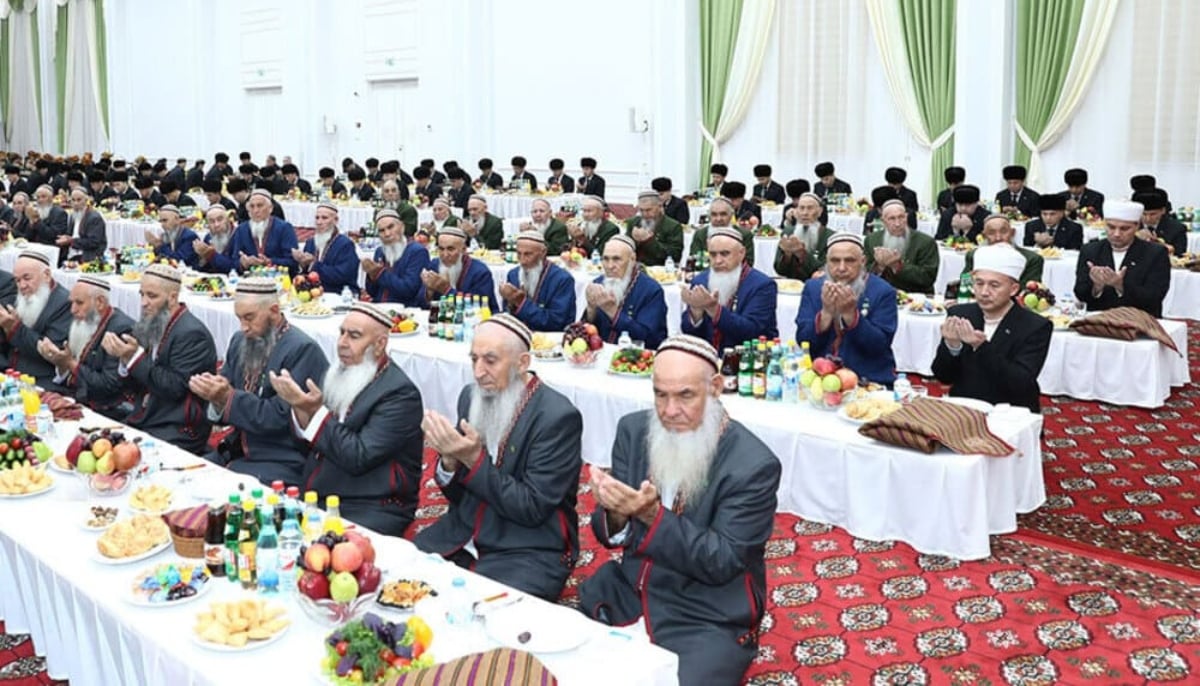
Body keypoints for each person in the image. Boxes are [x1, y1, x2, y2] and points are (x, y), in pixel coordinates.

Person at [578, 335, 780, 686]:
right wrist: (616, 511)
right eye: (660, 394)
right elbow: (605, 532)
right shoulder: (633, 430)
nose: (670, 410)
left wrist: (650, 517)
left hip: (706, 613)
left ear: (715, 387)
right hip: (629, 592)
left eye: (685, 395)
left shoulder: (753, 464)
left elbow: (722, 561)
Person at [415, 314, 583, 600]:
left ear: (523, 363)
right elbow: (457, 494)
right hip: (464, 529)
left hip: (528, 547)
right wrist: (449, 461)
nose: (479, 372)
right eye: (474, 359)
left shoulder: (557, 417)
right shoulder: (471, 396)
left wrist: (473, 460)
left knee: (491, 617)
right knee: (403, 584)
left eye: (490, 361)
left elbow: (532, 508)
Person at [270, 303, 424, 536]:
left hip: (375, 502)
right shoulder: (338, 373)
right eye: (341, 333)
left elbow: (358, 456)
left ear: (380, 344)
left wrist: (312, 411)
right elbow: (309, 442)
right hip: (325, 489)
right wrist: (299, 406)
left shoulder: (400, 394)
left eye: (354, 336)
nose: (342, 343)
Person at [189, 278, 330, 486]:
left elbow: (282, 418)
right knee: (187, 478)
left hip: (282, 456)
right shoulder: (240, 341)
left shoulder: (302, 349)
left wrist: (228, 398)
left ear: (274, 311)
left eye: (249, 318)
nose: (243, 327)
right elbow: (225, 390)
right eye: (239, 319)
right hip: (236, 448)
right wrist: (215, 395)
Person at [103, 264, 217, 454]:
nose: (143, 303)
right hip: (147, 415)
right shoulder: (151, 322)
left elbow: (174, 388)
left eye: (152, 296)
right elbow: (133, 383)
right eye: (142, 294)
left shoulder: (192, 333)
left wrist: (133, 357)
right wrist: (124, 360)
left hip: (177, 427)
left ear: (172, 297)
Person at [933, 245, 1052, 414]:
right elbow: (943, 376)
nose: (984, 292)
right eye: (979, 283)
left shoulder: (1034, 325)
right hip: (963, 409)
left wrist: (982, 347)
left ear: (1013, 289)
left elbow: (1021, 381)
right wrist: (953, 345)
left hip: (1012, 413)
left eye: (994, 285)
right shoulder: (960, 314)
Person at [795, 234, 898, 385]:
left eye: (850, 260)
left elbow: (880, 345)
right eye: (835, 261)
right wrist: (826, 314)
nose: (842, 268)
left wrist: (851, 316)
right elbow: (803, 340)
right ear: (826, 262)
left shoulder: (882, 291)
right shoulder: (813, 287)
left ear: (862, 261)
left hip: (867, 377)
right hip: (819, 377)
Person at [38, 275, 135, 415]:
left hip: (107, 407)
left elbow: (108, 385)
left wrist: (70, 363)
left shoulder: (121, 329)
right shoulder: (82, 320)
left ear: (100, 302)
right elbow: (70, 366)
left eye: (79, 303)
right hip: (76, 395)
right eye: (72, 302)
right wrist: (59, 362)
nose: (73, 310)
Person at [681, 226, 778, 348]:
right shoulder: (700, 280)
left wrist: (715, 310)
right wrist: (696, 312)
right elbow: (689, 334)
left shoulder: (762, 285)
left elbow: (752, 331)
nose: (718, 261)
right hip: (708, 356)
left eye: (725, 254)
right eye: (713, 254)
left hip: (747, 358)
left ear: (741, 253)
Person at [1074, 200, 1170, 318]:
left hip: (1141, 321)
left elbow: (1154, 297)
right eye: (1111, 227)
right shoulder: (1090, 251)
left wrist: (1120, 285)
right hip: (1098, 320)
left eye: (1124, 229)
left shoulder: (1155, 253)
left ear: (1137, 227)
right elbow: (1080, 292)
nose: (1116, 234)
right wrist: (1097, 287)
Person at [0, 251, 72, 386]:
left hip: (43, 380)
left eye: (27, 278)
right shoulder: (18, 296)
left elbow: (49, 352)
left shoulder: (64, 303)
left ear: (46, 275)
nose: (22, 286)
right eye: (18, 280)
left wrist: (14, 328)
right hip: (9, 374)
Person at [585, 234, 668, 348]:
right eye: (605, 259)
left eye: (616, 259)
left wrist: (613, 312)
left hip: (634, 358)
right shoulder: (598, 283)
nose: (610, 266)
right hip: (599, 354)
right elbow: (586, 331)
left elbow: (650, 338)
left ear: (632, 259)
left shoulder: (651, 290)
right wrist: (591, 309)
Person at [501, 233, 576, 332]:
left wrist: (521, 302)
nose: (522, 261)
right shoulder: (513, 274)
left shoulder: (562, 279)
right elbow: (507, 314)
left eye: (528, 254)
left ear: (543, 252)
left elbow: (556, 322)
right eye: (519, 254)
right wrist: (510, 303)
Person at [865, 200, 939, 293]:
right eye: (892, 219)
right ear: (883, 221)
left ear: (906, 217)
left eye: (901, 217)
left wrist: (897, 266)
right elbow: (863, 273)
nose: (897, 223)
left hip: (915, 295)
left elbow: (928, 278)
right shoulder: (872, 240)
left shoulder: (926, 242)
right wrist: (879, 266)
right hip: (880, 294)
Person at [418, 226, 498, 312]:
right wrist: (429, 291)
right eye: (441, 249)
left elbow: (478, 308)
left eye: (450, 249)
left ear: (463, 250)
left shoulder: (480, 272)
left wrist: (446, 290)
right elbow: (420, 304)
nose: (445, 254)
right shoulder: (434, 265)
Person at [363, 209, 431, 306]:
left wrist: (379, 273)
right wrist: (371, 275)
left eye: (390, 227)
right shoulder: (380, 251)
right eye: (382, 231)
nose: (387, 234)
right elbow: (373, 292)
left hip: (405, 310)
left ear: (402, 227)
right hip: (379, 308)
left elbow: (409, 290)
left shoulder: (417, 251)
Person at [293, 202, 359, 295]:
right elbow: (305, 272)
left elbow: (342, 275)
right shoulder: (310, 242)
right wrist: (301, 263)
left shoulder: (345, 244)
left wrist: (312, 264)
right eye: (317, 218)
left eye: (324, 218)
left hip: (338, 292)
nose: (319, 222)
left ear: (335, 220)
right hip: (312, 292)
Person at [230, 189, 299, 274]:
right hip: (249, 280)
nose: (255, 211)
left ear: (270, 208)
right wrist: (243, 263)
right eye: (252, 206)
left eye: (259, 206)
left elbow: (293, 262)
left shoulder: (284, 228)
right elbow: (234, 261)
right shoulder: (241, 229)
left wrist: (269, 261)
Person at [963, 215, 1044, 284]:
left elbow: (1028, 291)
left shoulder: (1032, 259)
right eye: (991, 233)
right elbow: (964, 283)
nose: (998, 238)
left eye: (1003, 231)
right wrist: (970, 278)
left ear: (1012, 233)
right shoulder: (974, 255)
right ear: (984, 236)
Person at [775, 192, 833, 280]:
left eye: (810, 208)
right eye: (801, 208)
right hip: (791, 285)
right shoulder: (788, 232)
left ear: (820, 211)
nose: (805, 213)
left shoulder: (830, 236)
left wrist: (802, 253)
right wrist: (787, 256)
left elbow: (824, 271)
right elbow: (779, 270)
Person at [625, 191, 684, 267]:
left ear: (660, 207)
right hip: (634, 267)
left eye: (648, 210)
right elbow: (625, 249)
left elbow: (675, 255)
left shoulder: (673, 226)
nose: (645, 214)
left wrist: (649, 241)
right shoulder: (633, 222)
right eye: (641, 210)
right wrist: (634, 241)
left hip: (660, 269)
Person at [688, 198, 755, 265]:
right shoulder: (700, 234)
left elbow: (748, 263)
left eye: (723, 214)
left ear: (731, 215)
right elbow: (694, 259)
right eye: (714, 214)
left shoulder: (744, 235)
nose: (718, 219)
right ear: (709, 216)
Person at [1133, 189, 1187, 256]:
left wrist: (1158, 244)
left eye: (1153, 214)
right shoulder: (1129, 226)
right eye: (1143, 214)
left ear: (1163, 210)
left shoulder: (1177, 228)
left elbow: (1180, 254)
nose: (1148, 218)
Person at [59, 188, 107, 264]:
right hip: (72, 254)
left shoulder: (94, 217)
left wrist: (71, 241)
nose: (76, 203)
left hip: (89, 256)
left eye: (79, 200)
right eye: (73, 200)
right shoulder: (72, 216)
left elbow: (93, 242)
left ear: (86, 201)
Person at [192, 206, 238, 273]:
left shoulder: (239, 235)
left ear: (228, 220)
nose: (216, 225)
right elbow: (199, 269)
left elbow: (236, 268)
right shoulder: (208, 237)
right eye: (211, 221)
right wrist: (202, 259)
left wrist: (210, 254)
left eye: (220, 219)